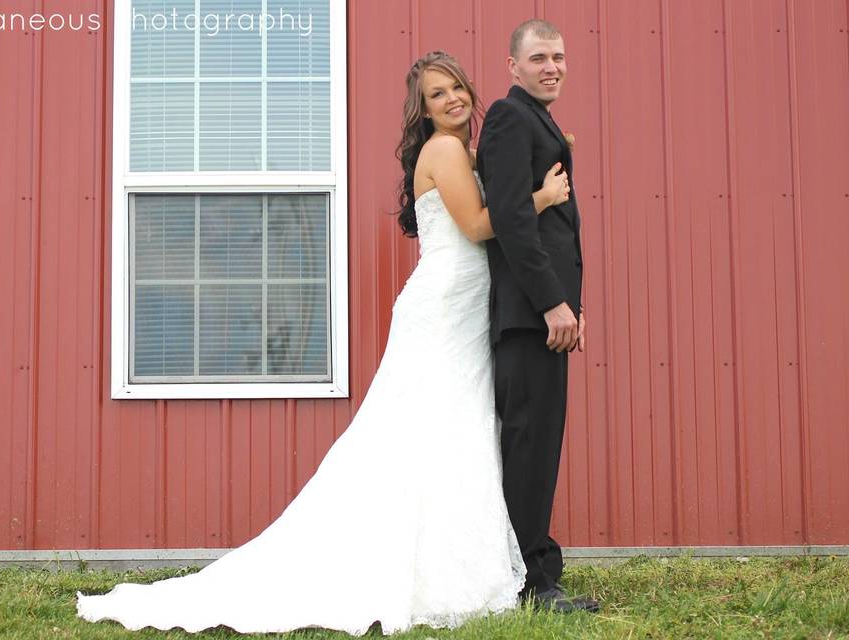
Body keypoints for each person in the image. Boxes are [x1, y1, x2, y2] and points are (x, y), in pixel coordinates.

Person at [76, 51, 569, 636]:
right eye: (437, 95)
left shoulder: (463, 150)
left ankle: (449, 561)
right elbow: (478, 226)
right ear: (424, 109)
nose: (452, 100)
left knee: (449, 430)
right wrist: (538, 199)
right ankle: (411, 565)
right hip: (442, 307)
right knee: (423, 428)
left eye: (456, 87)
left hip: (461, 305)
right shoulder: (443, 150)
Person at [476, 19, 599, 613]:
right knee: (531, 445)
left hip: (545, 313)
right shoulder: (508, 117)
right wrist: (552, 301)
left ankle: (536, 568)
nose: (553, 66)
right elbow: (511, 219)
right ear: (513, 66)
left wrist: (568, 303)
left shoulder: (539, 120)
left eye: (559, 55)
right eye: (540, 57)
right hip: (530, 316)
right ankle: (531, 582)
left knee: (539, 444)